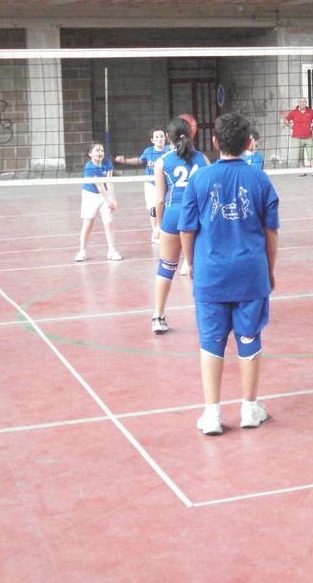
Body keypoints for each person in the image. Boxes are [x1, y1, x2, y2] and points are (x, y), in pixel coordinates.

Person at [179, 112, 279, 435]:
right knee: (249, 337)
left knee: (211, 341)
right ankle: (249, 408)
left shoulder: (199, 179)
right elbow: (271, 231)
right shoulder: (260, 179)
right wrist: (269, 270)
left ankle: (212, 414)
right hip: (250, 272)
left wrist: (191, 264)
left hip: (211, 274)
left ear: (214, 141)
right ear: (249, 143)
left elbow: (186, 230)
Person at [150, 117, 209, 334]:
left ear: (168, 137)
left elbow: (159, 200)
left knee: (166, 266)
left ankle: (158, 317)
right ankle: (209, 316)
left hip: (174, 215)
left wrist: (159, 225)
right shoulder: (203, 159)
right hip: (198, 215)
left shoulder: (162, 161)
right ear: (191, 134)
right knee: (202, 266)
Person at [114, 127, 169, 244]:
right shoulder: (149, 151)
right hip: (151, 184)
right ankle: (155, 233)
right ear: (152, 140)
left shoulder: (169, 150)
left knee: (165, 208)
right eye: (157, 137)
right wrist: (125, 161)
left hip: (165, 183)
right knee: (153, 208)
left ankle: (165, 231)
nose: (160, 139)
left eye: (162, 136)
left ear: (166, 138)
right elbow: (139, 160)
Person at [76, 142, 120, 262]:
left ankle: (112, 250)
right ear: (90, 154)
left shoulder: (107, 163)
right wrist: (109, 201)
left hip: (105, 195)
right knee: (88, 224)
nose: (100, 153)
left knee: (109, 222)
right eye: (97, 150)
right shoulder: (89, 167)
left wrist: (113, 199)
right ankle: (82, 251)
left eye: (102, 150)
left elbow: (109, 182)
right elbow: (99, 186)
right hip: (90, 196)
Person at [283, 97, 313, 174]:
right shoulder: (294, 112)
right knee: (300, 155)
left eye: (304, 102)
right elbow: (285, 119)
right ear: (298, 103)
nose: (302, 103)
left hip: (308, 137)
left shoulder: (310, 112)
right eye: (300, 102)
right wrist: (289, 125)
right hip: (297, 137)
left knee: (312, 154)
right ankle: (302, 171)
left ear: (306, 103)